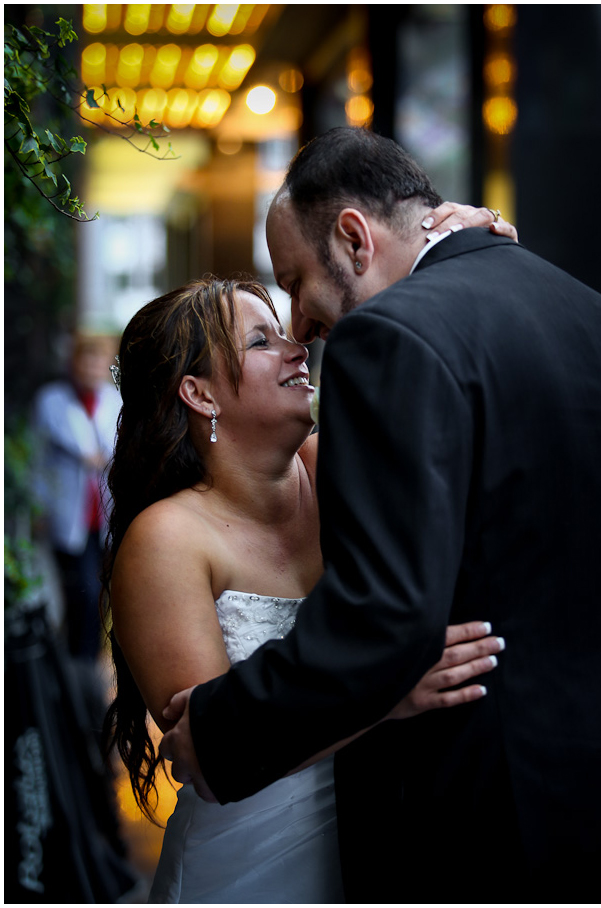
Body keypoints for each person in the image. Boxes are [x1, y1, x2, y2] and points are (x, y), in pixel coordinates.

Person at [161, 128, 601, 904]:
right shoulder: (583, 308)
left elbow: (384, 617)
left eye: (297, 283)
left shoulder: (388, 337)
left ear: (354, 238)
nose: (301, 326)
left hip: (472, 811)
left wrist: (222, 731)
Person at [101, 276, 505, 904]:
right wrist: (384, 695)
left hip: (379, 840)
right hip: (247, 863)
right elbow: (210, 751)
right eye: (263, 341)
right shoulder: (166, 540)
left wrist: (461, 243)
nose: (298, 349)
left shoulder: (334, 467)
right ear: (199, 393)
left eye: (287, 333)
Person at [33, 331, 121, 661]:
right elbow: (37, 459)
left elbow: (116, 451)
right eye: (87, 359)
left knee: (98, 592)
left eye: (99, 360)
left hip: (104, 513)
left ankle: (84, 661)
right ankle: (76, 663)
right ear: (74, 362)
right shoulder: (51, 401)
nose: (92, 367)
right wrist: (38, 507)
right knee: (79, 592)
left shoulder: (115, 401)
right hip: (67, 513)